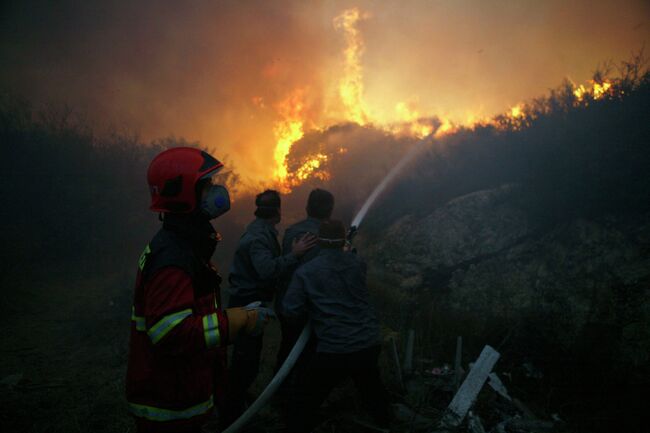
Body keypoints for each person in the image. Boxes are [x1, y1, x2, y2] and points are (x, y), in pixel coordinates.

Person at [126, 147, 272, 433]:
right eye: (205, 186)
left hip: (183, 387)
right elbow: (170, 332)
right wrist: (237, 321)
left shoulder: (185, 244)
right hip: (168, 403)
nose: (216, 192)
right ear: (182, 194)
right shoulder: (174, 257)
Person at [282, 219, 392, 433]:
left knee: (304, 402)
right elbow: (351, 268)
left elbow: (290, 310)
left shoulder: (306, 272)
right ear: (343, 240)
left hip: (335, 349)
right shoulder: (358, 263)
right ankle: (385, 423)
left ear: (319, 242)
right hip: (368, 343)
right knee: (372, 390)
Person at [224, 189, 316, 425]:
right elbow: (266, 271)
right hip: (247, 304)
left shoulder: (261, 231)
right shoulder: (257, 238)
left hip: (250, 302)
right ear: (277, 211)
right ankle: (231, 415)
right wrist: (295, 254)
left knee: (248, 360)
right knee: (246, 362)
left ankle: (237, 401)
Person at [275, 189, 334, 372]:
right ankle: (298, 393)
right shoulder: (328, 238)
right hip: (311, 307)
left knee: (288, 348)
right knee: (309, 354)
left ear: (307, 207)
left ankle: (281, 390)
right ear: (330, 210)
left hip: (287, 304)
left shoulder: (292, 232)